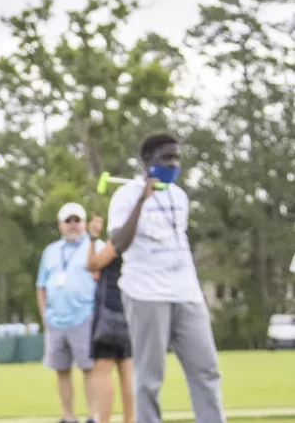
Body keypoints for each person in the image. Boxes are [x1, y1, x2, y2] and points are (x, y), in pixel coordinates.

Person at [107, 133, 225, 423]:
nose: (173, 164)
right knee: (149, 376)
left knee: (206, 369)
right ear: (147, 161)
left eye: (177, 158)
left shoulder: (180, 195)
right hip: (146, 293)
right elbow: (118, 244)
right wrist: (141, 201)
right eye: (166, 158)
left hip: (186, 292)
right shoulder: (124, 195)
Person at [37, 202, 98, 423]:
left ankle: (93, 416)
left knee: (89, 369)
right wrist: (45, 315)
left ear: (84, 224)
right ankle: (68, 417)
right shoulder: (50, 251)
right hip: (56, 320)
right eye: (68, 221)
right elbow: (41, 286)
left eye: (77, 220)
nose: (73, 225)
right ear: (60, 224)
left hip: (85, 317)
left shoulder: (95, 246)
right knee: (61, 370)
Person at [86, 213, 135, 423]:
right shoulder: (138, 242)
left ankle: (104, 420)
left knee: (103, 370)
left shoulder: (118, 239)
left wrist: (93, 238)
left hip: (109, 312)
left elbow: (93, 264)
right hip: (130, 310)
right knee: (127, 369)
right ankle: (130, 419)